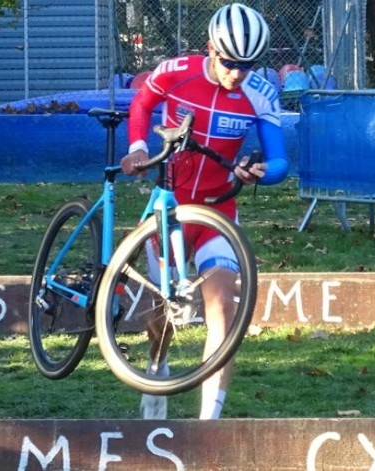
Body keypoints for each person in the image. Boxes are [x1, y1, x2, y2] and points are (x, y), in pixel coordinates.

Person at [120, 2, 288, 420]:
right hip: (170, 210)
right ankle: (157, 366)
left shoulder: (260, 93)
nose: (237, 72)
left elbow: (281, 161)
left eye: (248, 65)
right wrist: (138, 148)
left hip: (217, 213)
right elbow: (141, 105)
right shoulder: (178, 71)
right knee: (163, 314)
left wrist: (261, 173)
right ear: (211, 47)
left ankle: (208, 421)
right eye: (230, 61)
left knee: (222, 307)